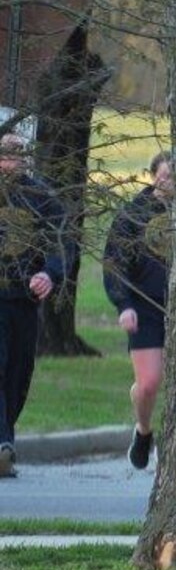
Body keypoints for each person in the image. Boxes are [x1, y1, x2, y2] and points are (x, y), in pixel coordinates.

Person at [0, 134, 71, 478]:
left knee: (17, 373)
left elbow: (61, 242)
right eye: (4, 155)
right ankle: (2, 446)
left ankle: (4, 444)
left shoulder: (42, 197)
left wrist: (49, 273)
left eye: (17, 155)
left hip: (24, 301)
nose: (10, 162)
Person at [103, 150, 173, 470]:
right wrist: (124, 305)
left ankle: (174, 446)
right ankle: (144, 430)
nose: (171, 182)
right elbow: (115, 264)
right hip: (144, 309)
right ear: (153, 175)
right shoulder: (132, 215)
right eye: (166, 175)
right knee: (148, 383)